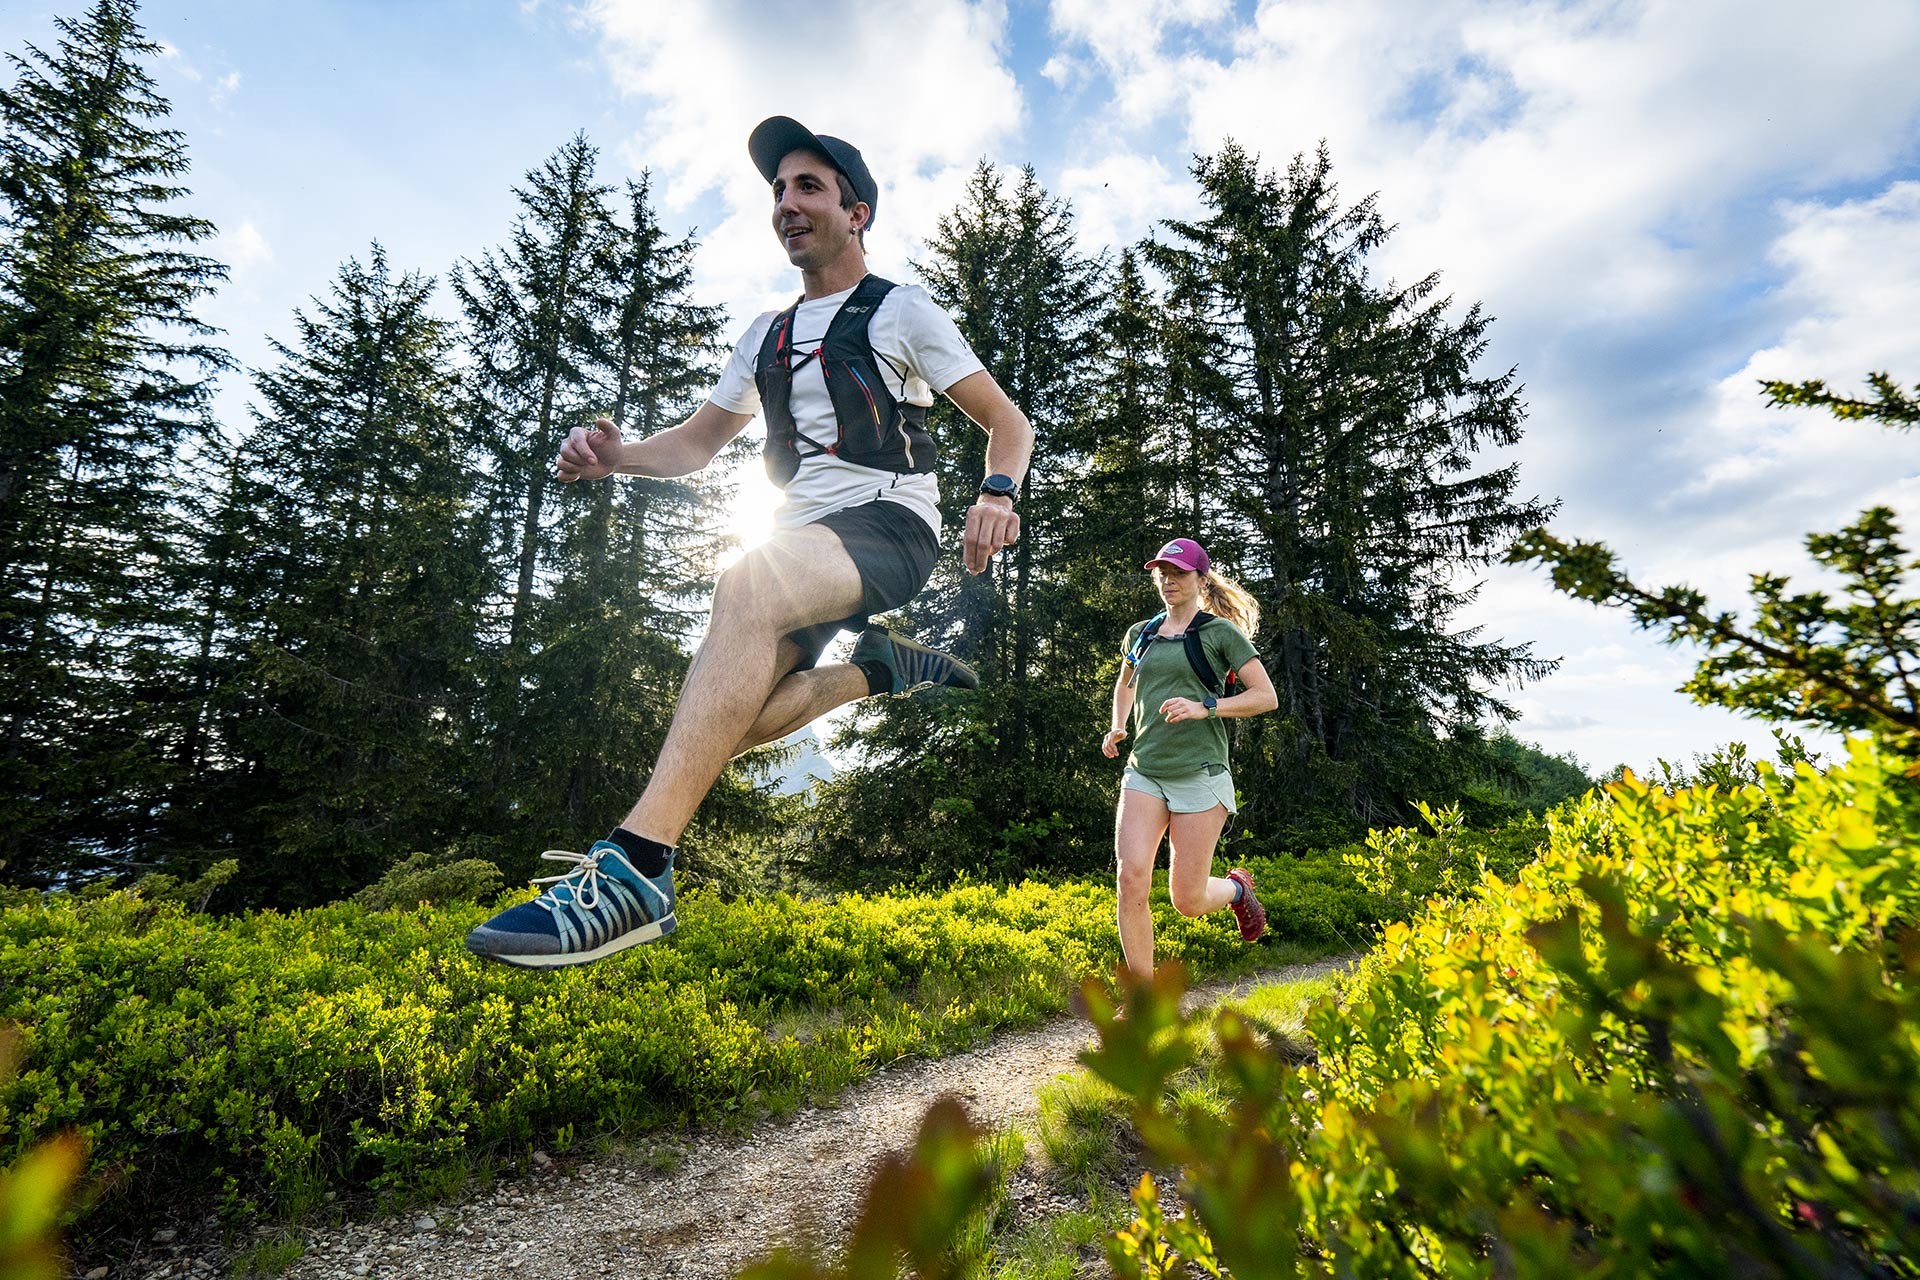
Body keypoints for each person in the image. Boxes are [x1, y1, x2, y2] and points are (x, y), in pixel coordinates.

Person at [466, 116, 1033, 968]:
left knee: (745, 582)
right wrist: (615, 457)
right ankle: (879, 670)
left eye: (809, 187)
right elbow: (695, 446)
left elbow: (1007, 423)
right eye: (778, 191)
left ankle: (636, 872)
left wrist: (996, 492)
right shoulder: (764, 333)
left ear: (858, 213)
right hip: (806, 540)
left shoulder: (900, 311)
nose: (788, 204)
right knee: (726, 721)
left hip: (890, 526)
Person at [1101, 538, 1278, 979]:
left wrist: (1208, 706)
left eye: (1178, 572)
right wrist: (1118, 724)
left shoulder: (1219, 633)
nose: (1167, 580)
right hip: (1144, 771)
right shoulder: (1140, 633)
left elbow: (1265, 697)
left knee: (1187, 900)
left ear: (1201, 578)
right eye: (1162, 572)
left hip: (1200, 774)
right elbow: (1125, 683)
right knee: (1130, 879)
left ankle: (1238, 890)